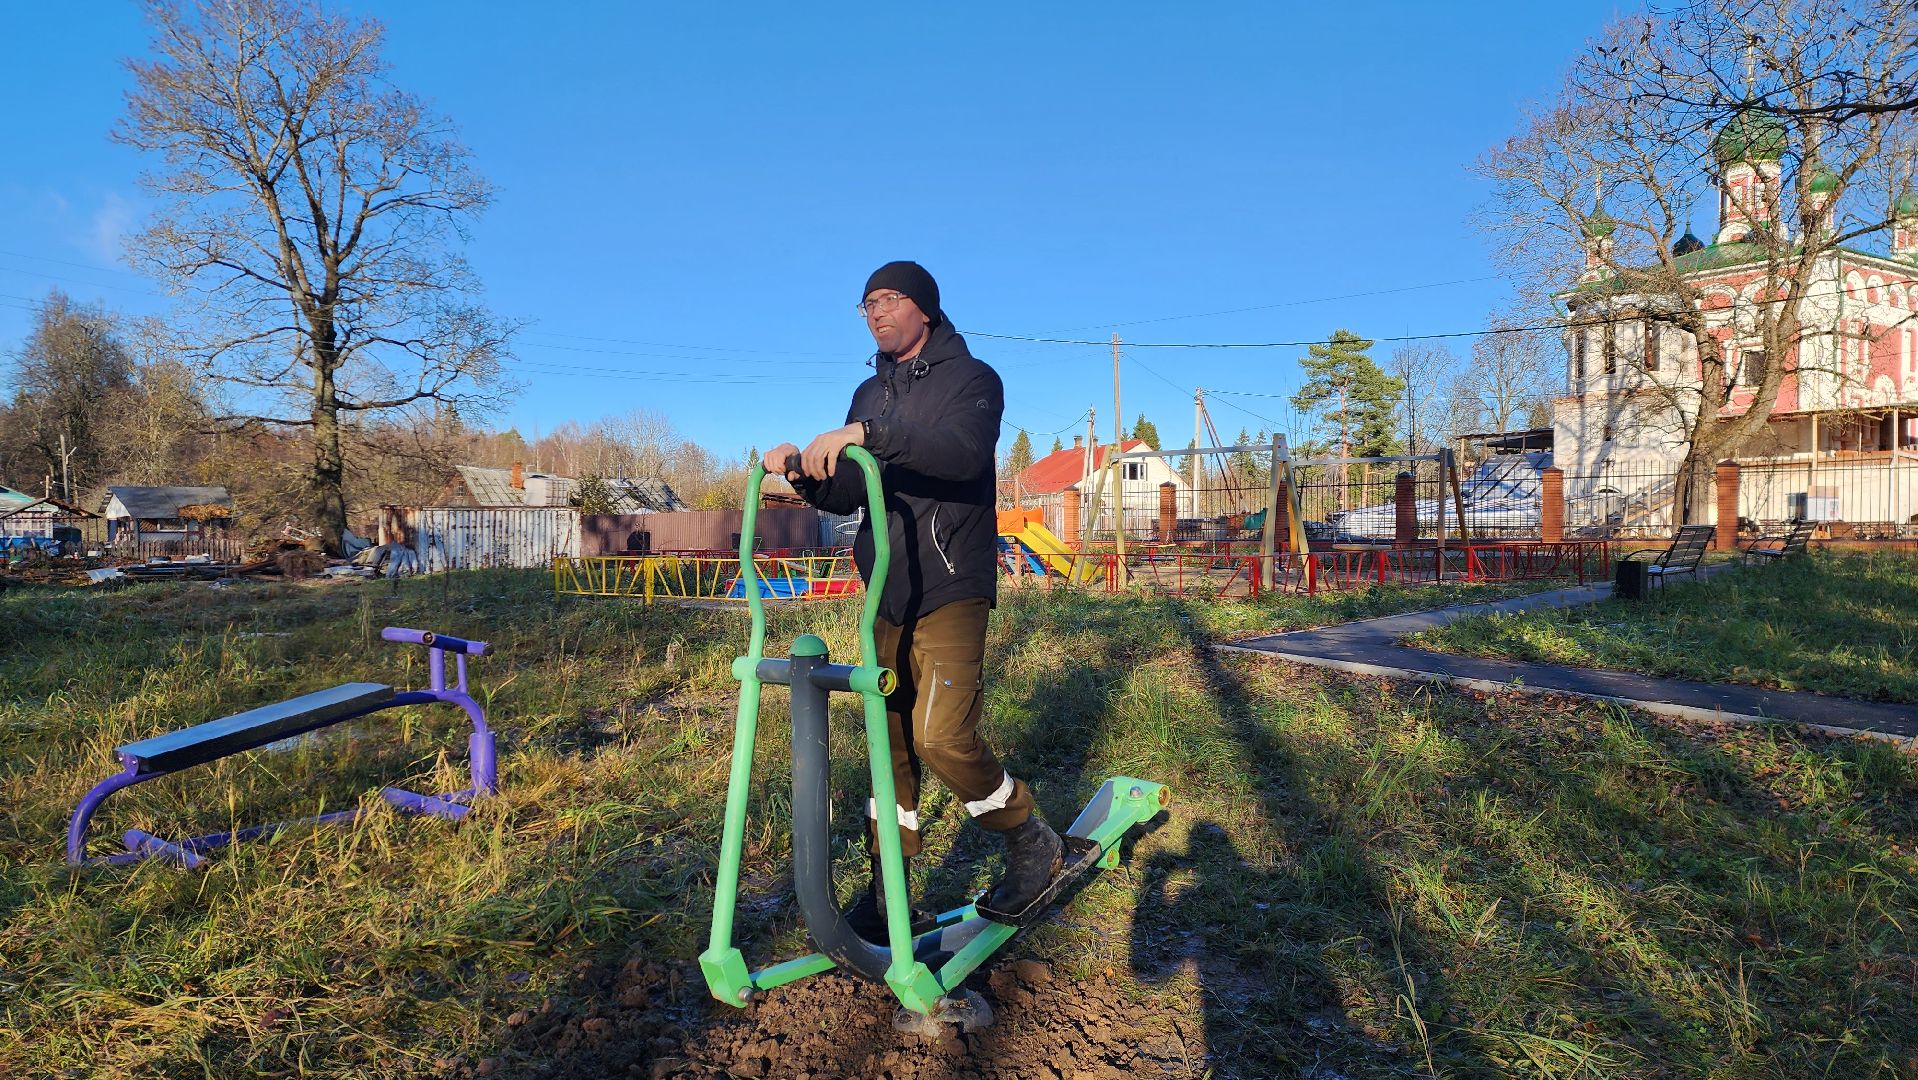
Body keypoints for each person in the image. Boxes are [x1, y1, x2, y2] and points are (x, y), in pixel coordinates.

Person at [763, 260, 1063, 935]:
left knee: (940, 736)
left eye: (890, 298)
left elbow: (960, 455)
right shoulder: (868, 392)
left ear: (924, 307)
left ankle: (1030, 840)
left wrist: (869, 435)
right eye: (867, 302)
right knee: (889, 742)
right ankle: (889, 892)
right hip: (887, 590)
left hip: (951, 581)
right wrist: (801, 473)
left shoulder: (974, 380)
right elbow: (848, 492)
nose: (876, 311)